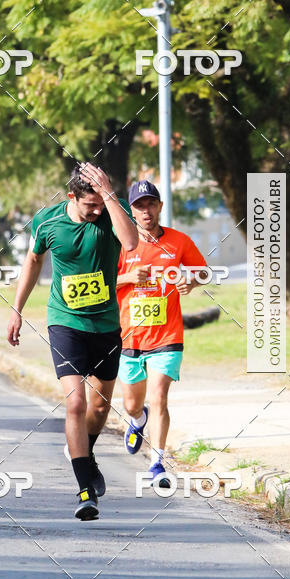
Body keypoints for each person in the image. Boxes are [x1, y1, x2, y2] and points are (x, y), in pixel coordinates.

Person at [7, 163, 138, 521]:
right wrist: (16, 309)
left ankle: (85, 453)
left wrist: (109, 195)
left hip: (107, 324)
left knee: (99, 409)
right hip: (65, 322)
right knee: (76, 403)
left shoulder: (113, 212)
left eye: (100, 204)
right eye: (89, 206)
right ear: (71, 197)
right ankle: (85, 490)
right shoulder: (48, 221)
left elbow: (130, 242)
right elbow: (33, 259)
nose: (96, 211)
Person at [116, 180, 206, 488]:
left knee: (159, 396)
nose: (146, 211)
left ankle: (157, 463)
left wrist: (190, 281)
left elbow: (203, 271)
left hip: (167, 336)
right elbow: (103, 283)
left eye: (150, 204)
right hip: (130, 336)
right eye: (139, 206)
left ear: (160, 207)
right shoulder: (122, 244)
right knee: (132, 403)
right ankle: (138, 419)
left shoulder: (179, 241)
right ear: (131, 212)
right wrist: (129, 276)